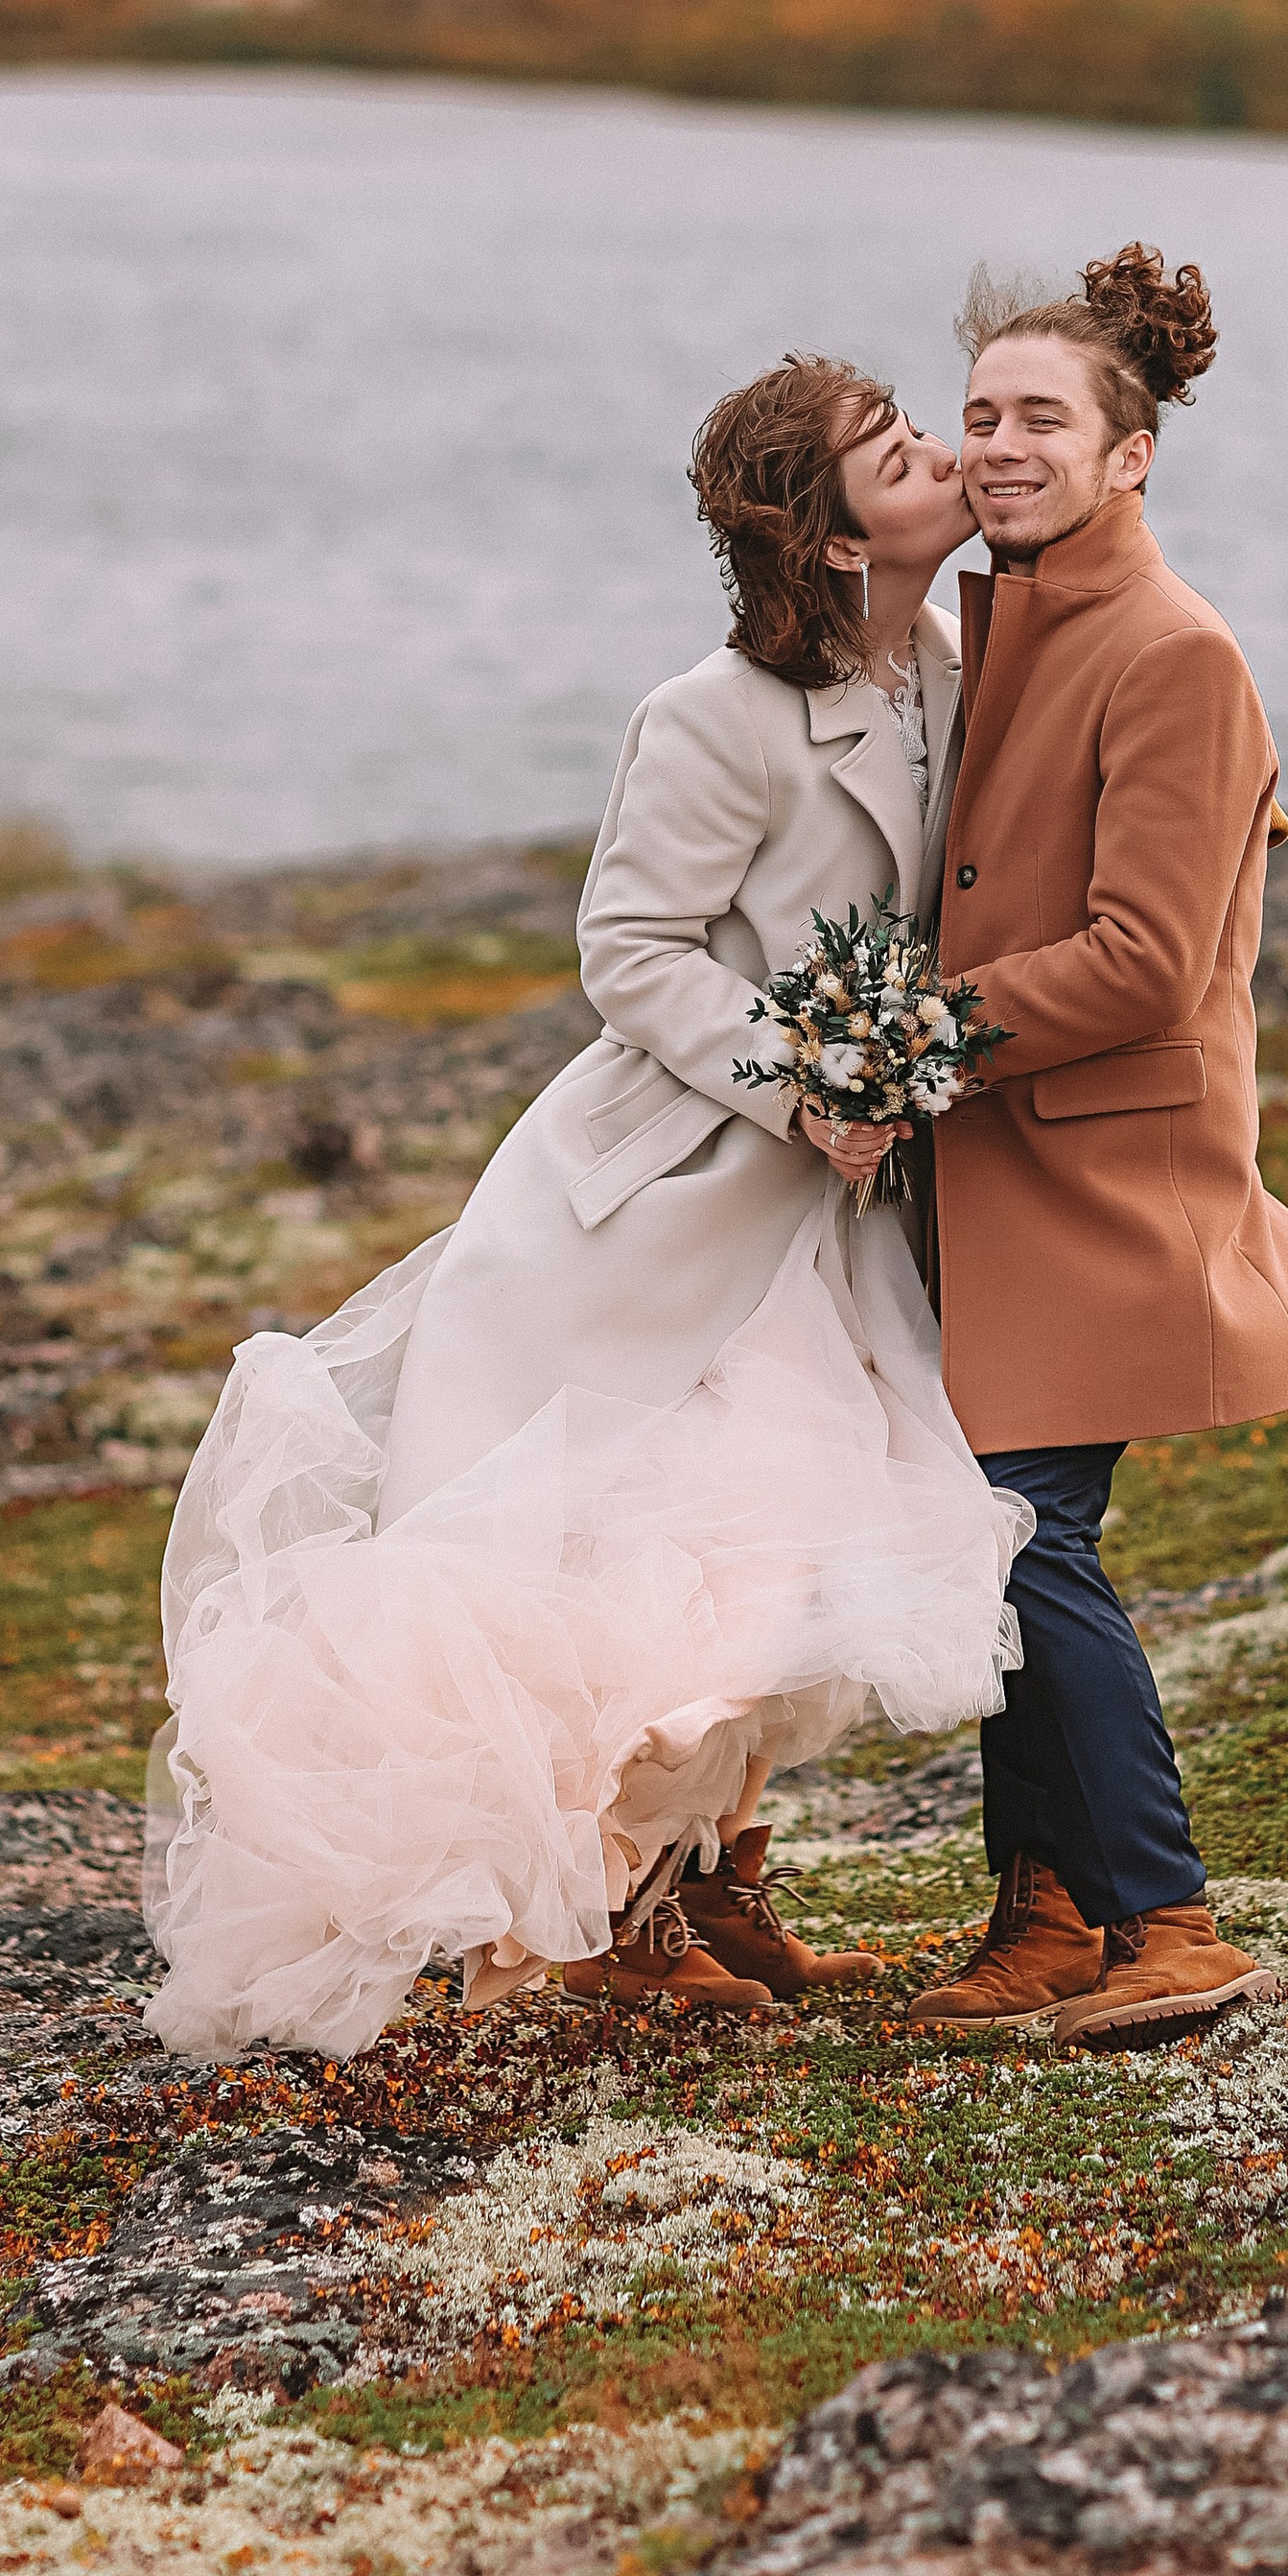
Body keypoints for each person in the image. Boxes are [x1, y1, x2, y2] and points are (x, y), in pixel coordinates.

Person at [146, 356, 1032, 2062]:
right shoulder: (709, 713)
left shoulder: (946, 657)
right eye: (897, 449)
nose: (940, 454)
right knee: (660, 1553)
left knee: (790, 1541)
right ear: (831, 536)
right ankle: (611, 1912)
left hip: (846, 1214)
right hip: (679, 1191)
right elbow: (629, 953)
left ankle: (710, 1886)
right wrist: (812, 1081)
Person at [909, 245, 1288, 2044]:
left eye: (1044, 420)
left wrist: (921, 1037)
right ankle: (1049, 1911)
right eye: (983, 414)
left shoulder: (1174, 651)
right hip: (1006, 1168)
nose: (1002, 445)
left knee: (1023, 1532)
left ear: (1131, 452)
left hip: (1104, 1174)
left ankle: (1171, 1919)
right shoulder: (1006, 617)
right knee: (998, 1527)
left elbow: (1153, 960)